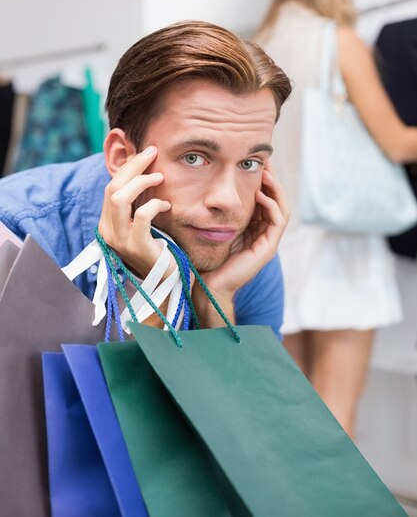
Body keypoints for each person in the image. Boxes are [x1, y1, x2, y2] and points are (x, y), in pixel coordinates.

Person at [0, 20, 291, 336]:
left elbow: (245, 388)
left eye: (249, 163)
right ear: (121, 157)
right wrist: (156, 290)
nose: (229, 200)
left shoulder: (234, 243)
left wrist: (214, 301)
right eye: (194, 158)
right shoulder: (17, 232)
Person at [254, 0, 417, 437]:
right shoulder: (337, 41)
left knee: (292, 406)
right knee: (336, 409)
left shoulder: (254, 46)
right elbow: (396, 143)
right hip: (340, 241)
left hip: (276, 239)